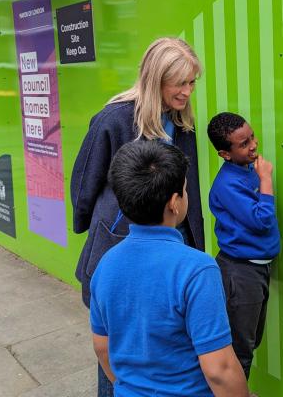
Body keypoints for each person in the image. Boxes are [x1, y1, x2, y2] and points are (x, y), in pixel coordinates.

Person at [70, 37, 204, 396]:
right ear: (156, 78)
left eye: (193, 82)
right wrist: (96, 234)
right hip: (120, 249)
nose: (188, 91)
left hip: (169, 249)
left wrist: (197, 245)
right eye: (181, 83)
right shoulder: (113, 119)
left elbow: (188, 190)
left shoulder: (182, 123)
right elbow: (84, 181)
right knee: (115, 353)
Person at [90, 140, 248, 397]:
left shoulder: (106, 263)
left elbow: (102, 347)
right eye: (185, 190)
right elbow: (220, 369)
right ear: (175, 202)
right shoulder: (198, 269)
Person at [206, 112, 281, 380]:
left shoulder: (247, 169)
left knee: (251, 339)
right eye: (243, 143)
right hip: (239, 272)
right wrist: (266, 180)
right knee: (241, 350)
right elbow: (262, 220)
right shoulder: (228, 184)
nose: (253, 145)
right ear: (225, 154)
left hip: (255, 269)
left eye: (252, 137)